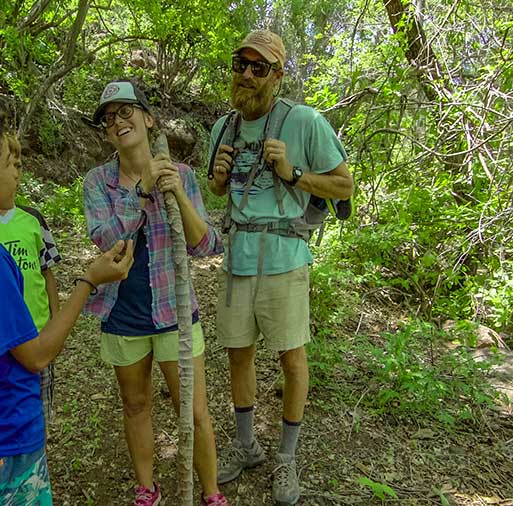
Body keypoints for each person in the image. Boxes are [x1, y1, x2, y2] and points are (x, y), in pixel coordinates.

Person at [0, 96, 133, 505]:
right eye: (7, 163)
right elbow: (35, 356)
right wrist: (88, 280)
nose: (17, 170)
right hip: (2, 434)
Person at [207, 30, 354, 506]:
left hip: (286, 257)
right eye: (241, 64)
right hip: (237, 260)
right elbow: (217, 193)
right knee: (238, 354)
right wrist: (219, 179)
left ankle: (286, 458)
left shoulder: (304, 121)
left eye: (259, 67)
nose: (247, 74)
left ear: (278, 75)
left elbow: (344, 186)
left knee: (292, 359)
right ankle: (247, 445)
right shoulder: (222, 129)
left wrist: (293, 173)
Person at [83, 80, 228, 506]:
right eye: (109, 118)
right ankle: (146, 488)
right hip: (123, 314)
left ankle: (211, 492)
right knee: (135, 404)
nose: (118, 122)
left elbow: (206, 246)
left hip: (176, 314)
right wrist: (142, 191)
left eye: (126, 111)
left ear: (148, 119)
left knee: (194, 410)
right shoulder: (97, 182)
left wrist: (175, 194)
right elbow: (107, 241)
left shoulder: (181, 175)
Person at [0, 134, 61, 424]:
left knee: (39, 416)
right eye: (11, 165)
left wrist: (56, 323)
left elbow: (47, 273)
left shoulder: (33, 219)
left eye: (20, 165)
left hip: (39, 335)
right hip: (1, 343)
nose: (17, 173)